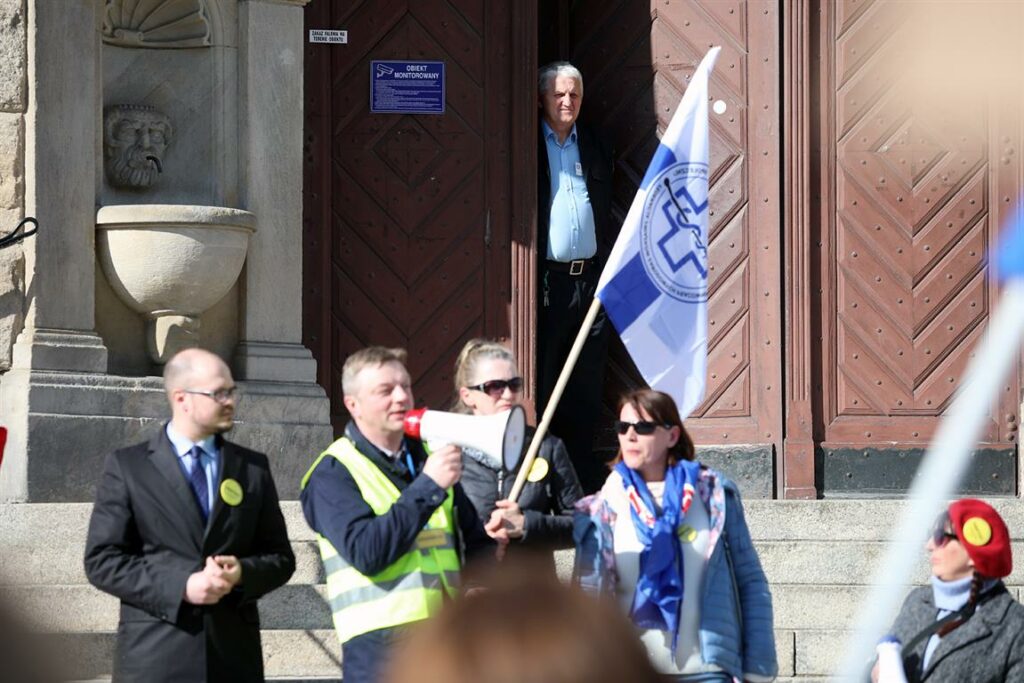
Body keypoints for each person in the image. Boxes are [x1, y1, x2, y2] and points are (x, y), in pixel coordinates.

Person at [83, 348, 295, 682]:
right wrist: (182, 585)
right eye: (219, 393)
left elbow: (281, 558)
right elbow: (102, 560)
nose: (230, 401)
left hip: (232, 658)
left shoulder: (252, 468)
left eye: (231, 391)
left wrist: (242, 573)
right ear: (181, 398)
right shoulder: (129, 467)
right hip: (156, 659)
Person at [300, 346, 502, 683]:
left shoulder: (428, 458)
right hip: (381, 649)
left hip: (448, 636)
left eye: (405, 387)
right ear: (353, 405)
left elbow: (476, 540)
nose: (401, 398)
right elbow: (368, 553)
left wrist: (480, 583)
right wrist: (427, 486)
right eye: (385, 390)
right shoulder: (332, 472)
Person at [574, 389, 777, 681]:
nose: (630, 436)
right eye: (623, 427)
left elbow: (750, 579)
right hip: (629, 669)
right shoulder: (603, 506)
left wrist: (759, 667)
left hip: (705, 669)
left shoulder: (713, 495)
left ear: (672, 436)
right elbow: (587, 595)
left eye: (643, 427)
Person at [382, 558, 663, 683]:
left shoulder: (548, 451)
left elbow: (569, 515)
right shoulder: (451, 464)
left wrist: (528, 522)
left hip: (544, 609)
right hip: (478, 615)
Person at [537, 60, 617, 494]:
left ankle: (583, 483)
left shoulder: (595, 144)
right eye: (559, 94)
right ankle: (544, 479)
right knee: (547, 380)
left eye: (574, 95)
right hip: (547, 283)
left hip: (591, 281)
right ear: (542, 98)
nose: (567, 102)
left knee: (586, 385)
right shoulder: (529, 143)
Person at [451, 339, 583, 570]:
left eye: (514, 384)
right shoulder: (448, 452)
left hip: (533, 593)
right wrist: (478, 540)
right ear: (467, 396)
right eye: (495, 386)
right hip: (469, 593)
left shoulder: (545, 446)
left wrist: (527, 524)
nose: (508, 394)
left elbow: (582, 525)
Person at [873, 499, 1024, 682]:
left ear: (973, 552)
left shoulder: (1014, 626)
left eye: (939, 537)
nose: (929, 546)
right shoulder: (917, 601)